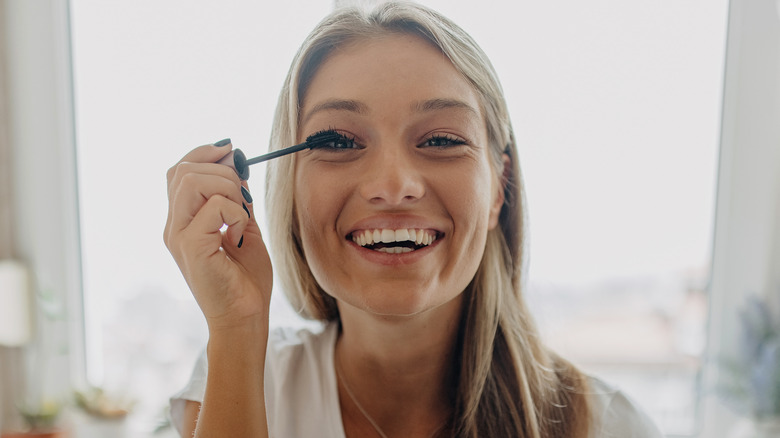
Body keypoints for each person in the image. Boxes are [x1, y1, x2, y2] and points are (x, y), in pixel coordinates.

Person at [164, 2, 664, 437]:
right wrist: (235, 327)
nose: (393, 184)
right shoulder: (234, 385)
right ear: (289, 190)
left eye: (442, 140)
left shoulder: (609, 426)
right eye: (337, 142)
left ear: (499, 188)